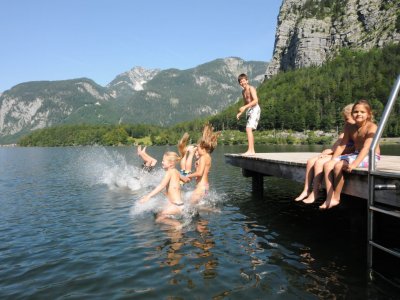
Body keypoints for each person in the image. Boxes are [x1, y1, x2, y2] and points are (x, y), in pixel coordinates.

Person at [319, 99, 380, 210]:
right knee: (328, 165)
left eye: (362, 112)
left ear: (368, 114)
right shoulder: (349, 126)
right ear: (352, 114)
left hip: (371, 156)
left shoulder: (372, 127)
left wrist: (354, 164)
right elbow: (342, 145)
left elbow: (366, 148)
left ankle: (336, 198)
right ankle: (329, 197)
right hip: (356, 154)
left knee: (338, 166)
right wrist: (333, 158)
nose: (359, 114)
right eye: (356, 112)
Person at [295, 104, 355, 204]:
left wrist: (333, 153)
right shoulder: (347, 127)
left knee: (319, 162)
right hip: (339, 153)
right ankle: (306, 190)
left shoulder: (358, 130)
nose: (345, 121)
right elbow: (338, 143)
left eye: (347, 119)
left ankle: (315, 192)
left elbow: (352, 148)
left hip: (346, 154)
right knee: (310, 161)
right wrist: (331, 150)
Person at [139, 151, 184, 229]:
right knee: (159, 213)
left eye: (164, 161)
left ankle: (177, 224)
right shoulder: (176, 171)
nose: (162, 162)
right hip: (179, 204)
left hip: (176, 206)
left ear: (170, 164)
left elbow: (161, 185)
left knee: (158, 219)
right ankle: (173, 230)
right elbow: (185, 179)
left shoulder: (169, 172)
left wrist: (148, 196)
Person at [182, 124, 220, 204]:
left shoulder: (203, 157)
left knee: (190, 205)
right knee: (197, 206)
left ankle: (213, 210)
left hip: (201, 187)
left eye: (198, 148)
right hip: (206, 187)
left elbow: (199, 173)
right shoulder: (208, 156)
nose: (197, 150)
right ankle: (211, 210)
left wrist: (187, 176)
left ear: (203, 148)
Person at [236, 73, 261, 156]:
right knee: (248, 129)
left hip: (255, 108)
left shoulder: (251, 88)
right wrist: (240, 113)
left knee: (248, 129)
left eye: (244, 81)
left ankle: (251, 151)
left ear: (247, 80)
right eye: (240, 82)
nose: (242, 83)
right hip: (250, 109)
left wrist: (244, 107)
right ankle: (251, 150)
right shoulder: (243, 92)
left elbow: (256, 100)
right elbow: (245, 103)